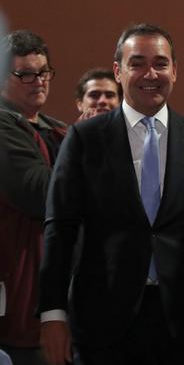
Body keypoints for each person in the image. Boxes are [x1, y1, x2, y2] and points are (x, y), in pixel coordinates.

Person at [37, 24, 184, 365]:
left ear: (175, 71)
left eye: (161, 63)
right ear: (118, 71)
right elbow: (59, 229)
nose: (151, 73)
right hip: (101, 324)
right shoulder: (84, 140)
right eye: (137, 63)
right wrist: (52, 314)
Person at [0, 30, 66, 365]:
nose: (37, 81)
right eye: (25, 74)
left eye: (43, 72)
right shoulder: (2, 126)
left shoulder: (60, 130)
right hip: (23, 299)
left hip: (63, 300)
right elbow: (38, 191)